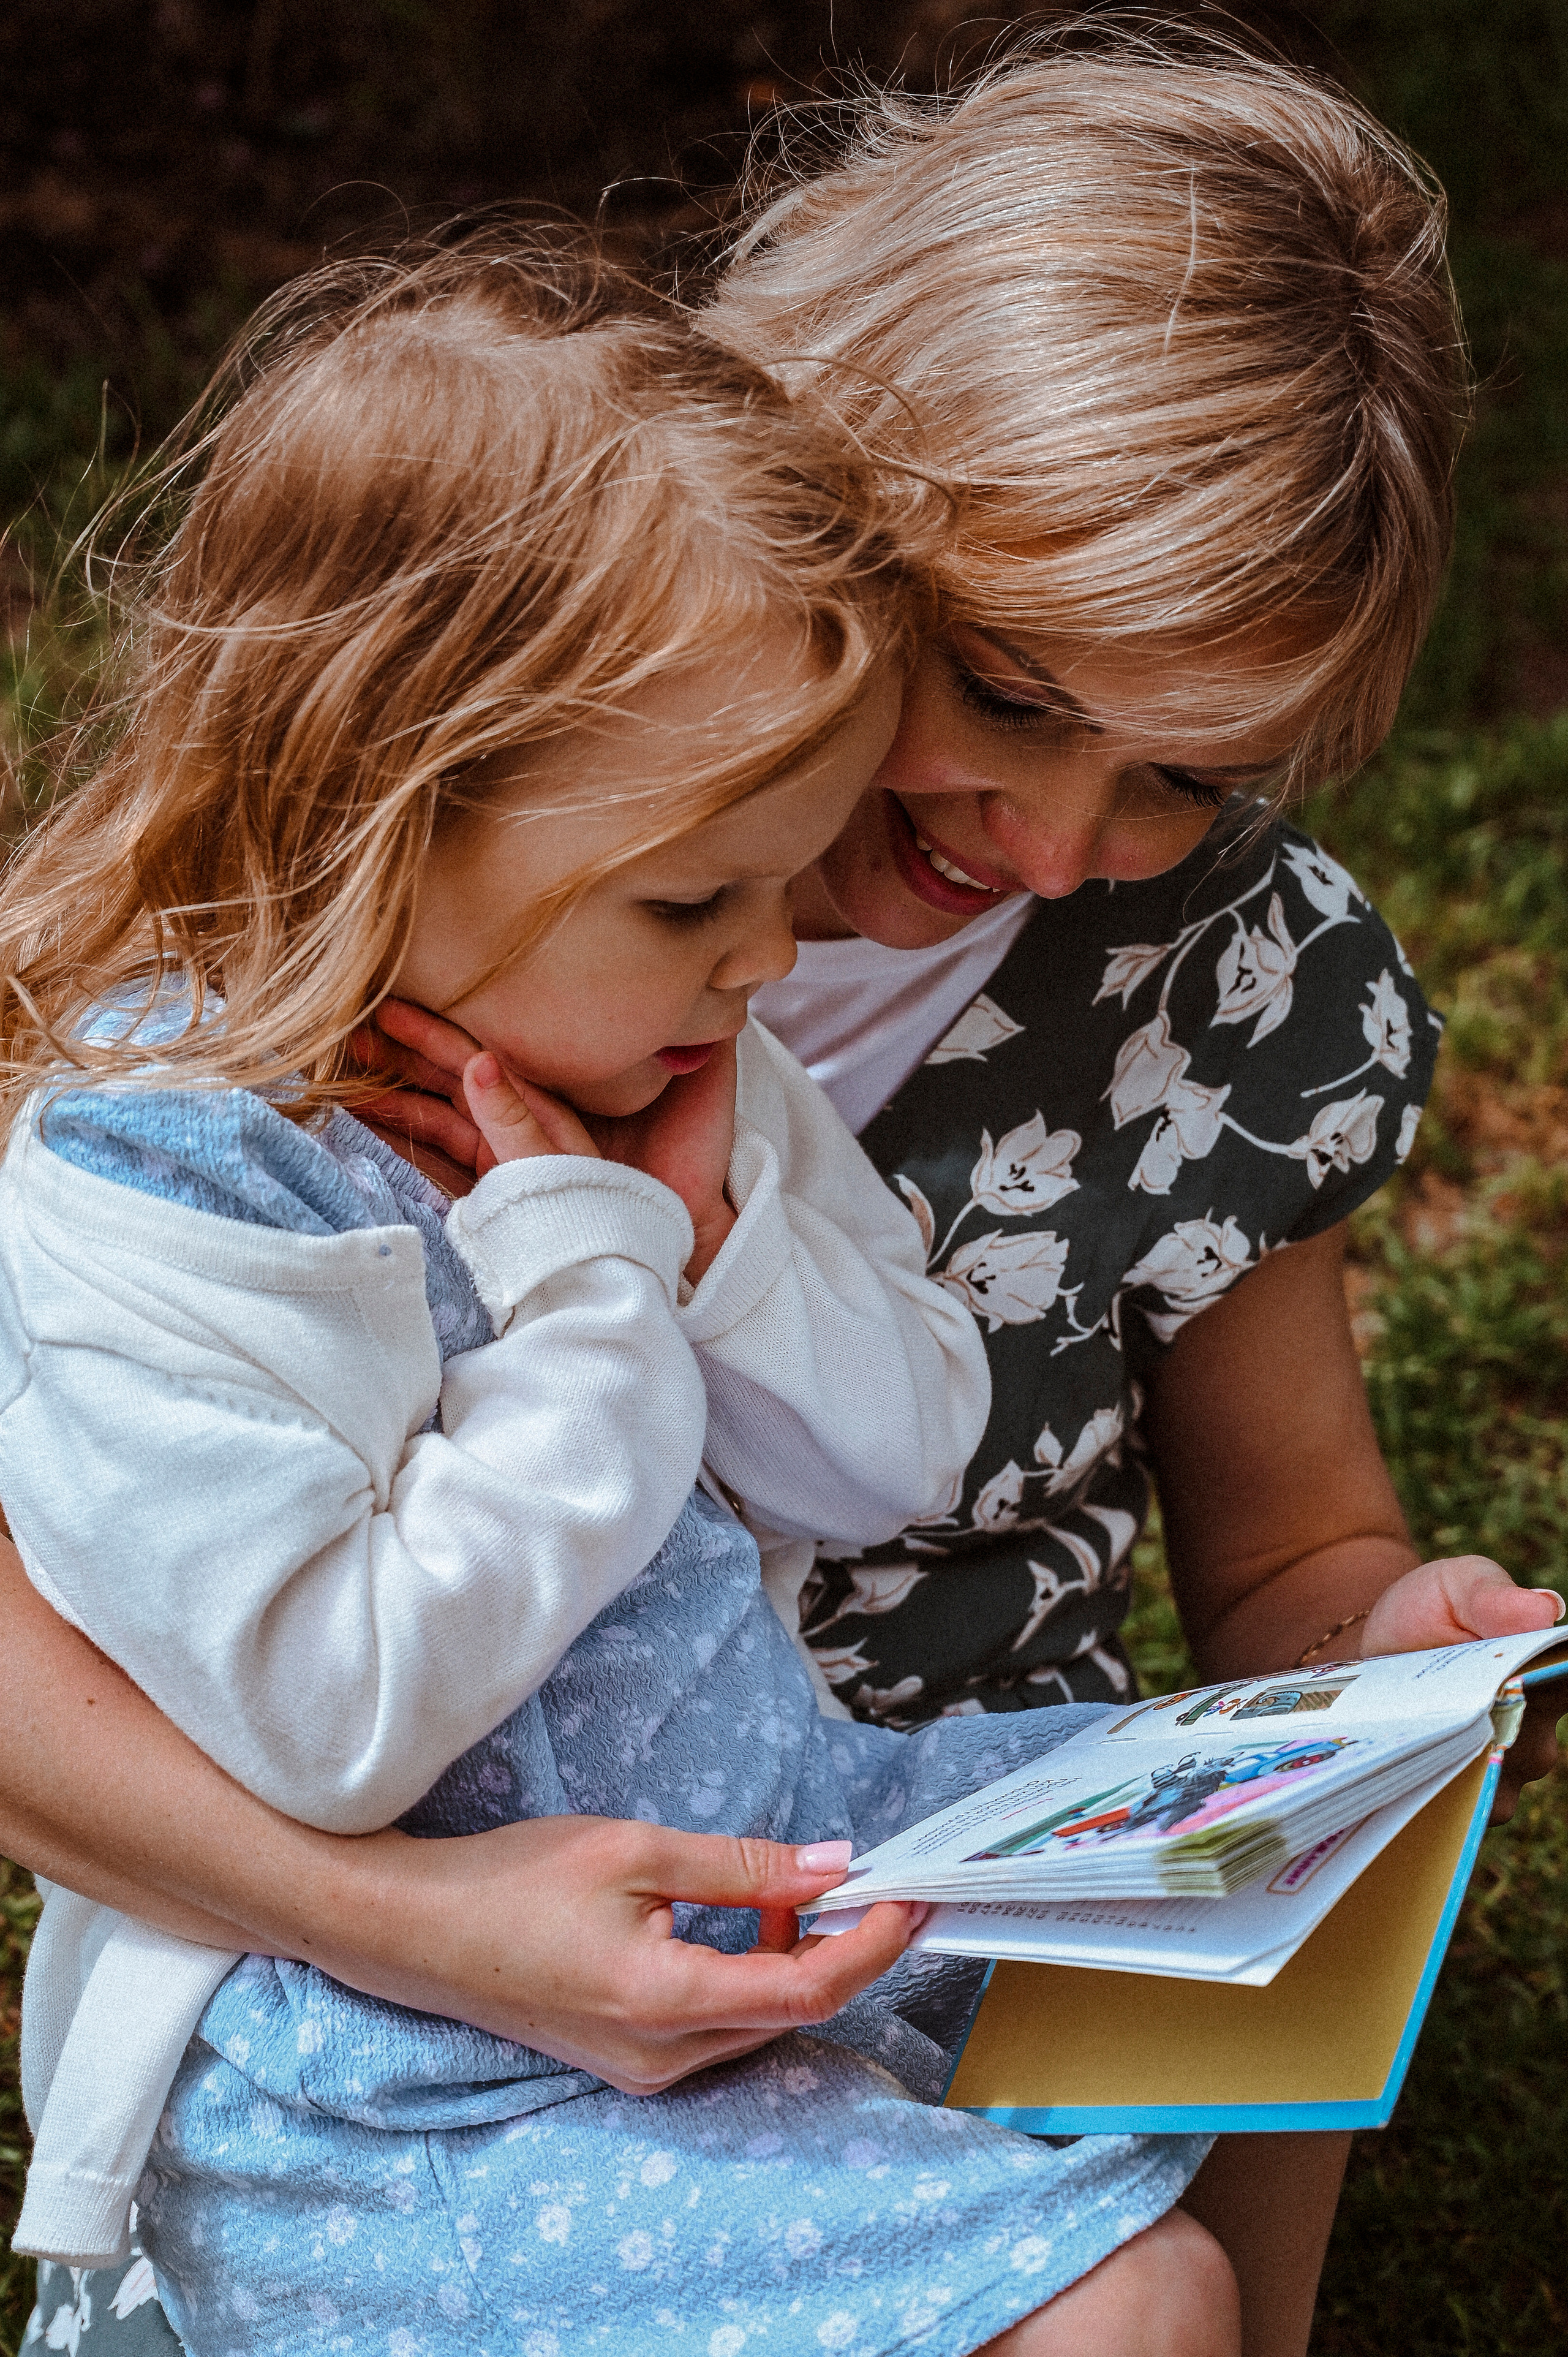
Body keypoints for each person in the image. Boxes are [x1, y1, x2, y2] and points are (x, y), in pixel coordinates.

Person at [7, 25, 1562, 2357]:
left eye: (1183, 774)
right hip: (404, 1916)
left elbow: (1288, 1552)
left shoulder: (1230, 973)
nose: (1050, 854)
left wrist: (1384, 1664)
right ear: (820, 506)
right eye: (1015, 691)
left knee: (1252, 2068)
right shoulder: (312, 973)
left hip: (945, 1838)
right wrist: (437, 1935)